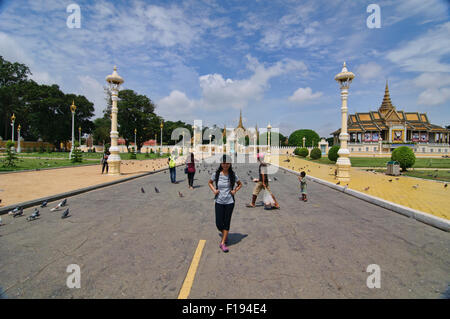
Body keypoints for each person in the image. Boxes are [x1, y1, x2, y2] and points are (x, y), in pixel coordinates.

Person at [208, 155, 242, 253]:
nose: (225, 165)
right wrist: (214, 190)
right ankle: (225, 234)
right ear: (221, 163)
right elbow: (210, 182)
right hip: (219, 201)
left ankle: (223, 243)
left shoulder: (232, 175)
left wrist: (235, 190)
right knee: (219, 223)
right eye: (223, 163)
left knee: (226, 222)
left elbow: (240, 184)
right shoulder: (217, 174)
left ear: (230, 164)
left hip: (229, 202)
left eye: (227, 163)